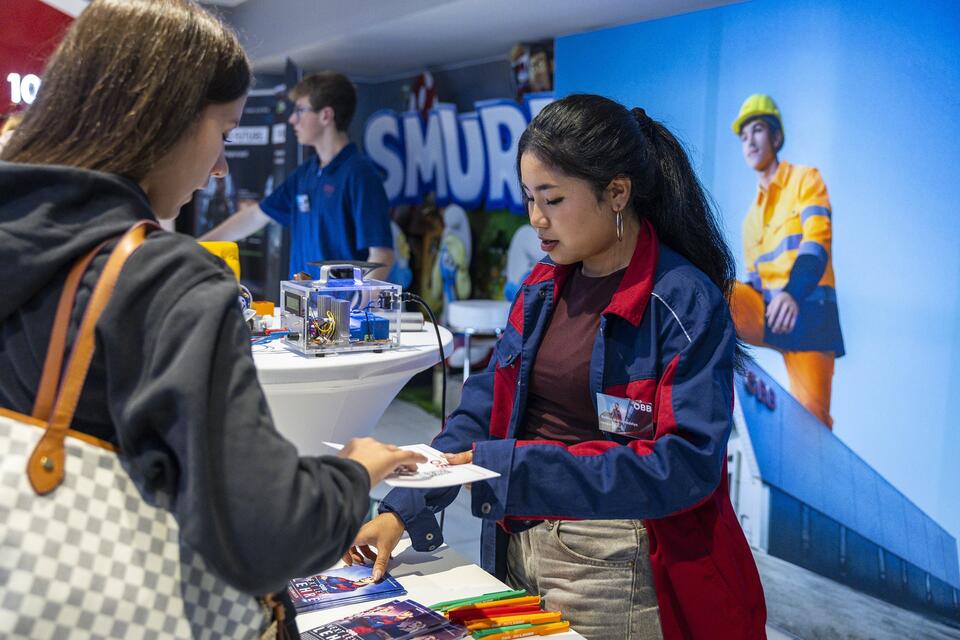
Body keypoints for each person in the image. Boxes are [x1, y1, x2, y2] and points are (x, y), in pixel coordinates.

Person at [0, 0, 423, 631]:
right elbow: (264, 531)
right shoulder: (164, 280)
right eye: (223, 133)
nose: (221, 165)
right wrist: (357, 470)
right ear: (163, 119)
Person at [344, 94, 767, 639]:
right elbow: (482, 410)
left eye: (553, 199)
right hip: (516, 542)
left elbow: (684, 465)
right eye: (529, 198)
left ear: (617, 193)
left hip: (614, 564)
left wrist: (520, 469)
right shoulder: (542, 287)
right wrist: (402, 507)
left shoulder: (682, 301)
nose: (536, 220)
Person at [200, 71, 395, 281]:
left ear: (326, 115)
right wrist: (198, 247)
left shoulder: (361, 174)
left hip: (340, 302)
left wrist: (357, 301)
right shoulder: (306, 173)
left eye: (300, 110)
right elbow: (256, 215)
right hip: (302, 299)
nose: (292, 119)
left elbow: (382, 256)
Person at [730, 94, 844, 428]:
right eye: (744, 136)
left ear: (776, 137)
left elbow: (817, 243)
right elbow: (753, 284)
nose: (750, 141)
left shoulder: (806, 180)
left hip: (811, 319)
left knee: (812, 426)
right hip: (769, 314)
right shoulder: (750, 221)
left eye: (758, 130)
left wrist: (792, 293)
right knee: (711, 292)